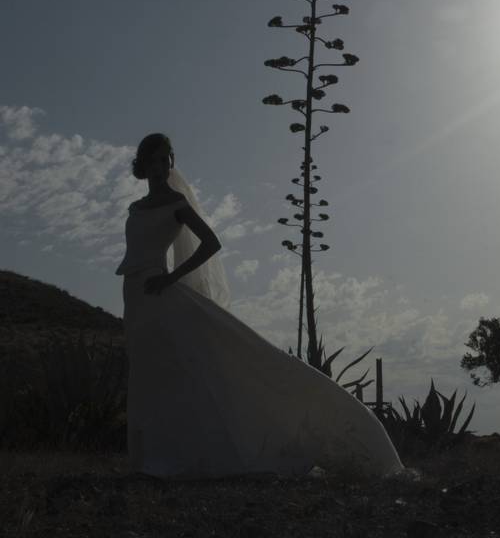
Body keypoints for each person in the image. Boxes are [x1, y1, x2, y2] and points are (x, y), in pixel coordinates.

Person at [115, 133, 409, 480]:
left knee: (198, 366)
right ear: (143, 162)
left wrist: (171, 277)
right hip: (133, 294)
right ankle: (151, 457)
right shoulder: (135, 208)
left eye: (168, 160)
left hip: (160, 292)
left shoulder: (176, 202)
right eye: (156, 160)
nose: (163, 167)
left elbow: (210, 242)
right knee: (149, 372)